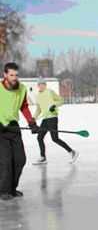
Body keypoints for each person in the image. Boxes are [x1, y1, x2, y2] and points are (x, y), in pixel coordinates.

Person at [0, 62, 39, 200]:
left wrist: (31, 122)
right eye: (11, 75)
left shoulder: (22, 89)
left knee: (20, 160)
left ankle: (12, 188)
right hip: (0, 130)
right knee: (5, 161)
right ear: (5, 75)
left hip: (13, 127)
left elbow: (23, 107)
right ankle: (3, 191)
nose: (14, 78)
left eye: (16, 75)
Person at [33, 79, 78, 164]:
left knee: (55, 138)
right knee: (39, 137)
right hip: (45, 119)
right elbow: (38, 109)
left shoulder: (50, 92)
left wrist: (54, 105)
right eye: (39, 84)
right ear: (37, 86)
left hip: (53, 118)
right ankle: (43, 157)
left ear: (45, 85)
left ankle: (72, 152)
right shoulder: (38, 95)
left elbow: (61, 100)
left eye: (42, 84)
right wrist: (33, 119)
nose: (41, 86)